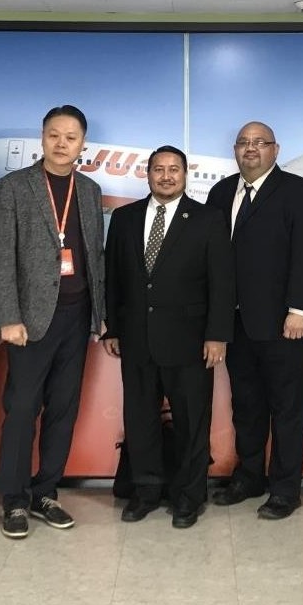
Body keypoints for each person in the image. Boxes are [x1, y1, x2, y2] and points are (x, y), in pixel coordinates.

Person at [101, 145, 234, 529]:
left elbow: (221, 283)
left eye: (173, 169)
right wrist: (113, 327)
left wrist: (217, 336)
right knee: (140, 420)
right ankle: (145, 492)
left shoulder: (208, 219)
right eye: (158, 169)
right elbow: (114, 278)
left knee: (192, 422)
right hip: (137, 340)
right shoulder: (125, 218)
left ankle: (188, 497)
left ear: (185, 173)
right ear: (148, 173)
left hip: (191, 342)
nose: (166, 176)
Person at [0, 104, 106, 539]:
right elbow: (3, 257)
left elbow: (94, 256)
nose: (62, 144)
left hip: (76, 317)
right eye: (54, 135)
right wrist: (9, 317)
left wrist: (101, 317)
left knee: (63, 407)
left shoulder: (90, 190)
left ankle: (46, 492)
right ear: (42, 138)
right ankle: (14, 500)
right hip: (29, 320)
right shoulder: (15, 187)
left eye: (71, 137)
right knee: (21, 409)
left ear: (82, 143)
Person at [204, 121, 303, 520]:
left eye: (260, 143)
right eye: (243, 143)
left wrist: (300, 310)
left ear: (276, 149)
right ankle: (249, 476)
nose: (251, 149)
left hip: (283, 324)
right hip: (236, 325)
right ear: (235, 150)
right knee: (247, 406)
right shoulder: (221, 193)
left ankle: (285, 489)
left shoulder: (298, 191)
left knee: (288, 408)